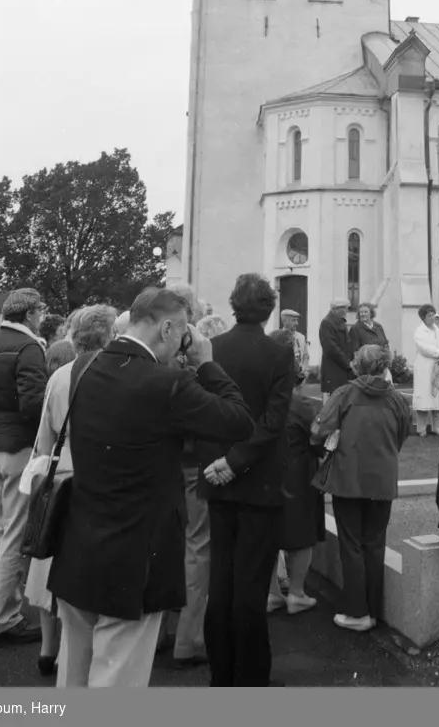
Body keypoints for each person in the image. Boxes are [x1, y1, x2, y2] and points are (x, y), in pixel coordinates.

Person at [46, 287, 254, 688]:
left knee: (73, 673)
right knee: (117, 681)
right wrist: (207, 363)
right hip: (136, 559)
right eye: (181, 334)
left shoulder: (83, 367)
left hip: (78, 547)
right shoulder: (166, 384)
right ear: (169, 327)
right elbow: (239, 421)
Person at [198, 273, 296, 688]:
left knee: (221, 579)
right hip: (259, 481)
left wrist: (221, 462)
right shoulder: (279, 353)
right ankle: (252, 677)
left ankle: (222, 673)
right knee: (251, 586)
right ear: (270, 309)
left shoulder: (213, 350)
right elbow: (273, 422)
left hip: (218, 478)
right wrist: (237, 461)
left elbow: (202, 413)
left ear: (234, 305)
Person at [23, 308, 114, 677]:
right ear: (107, 336)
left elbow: (45, 435)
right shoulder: (110, 376)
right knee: (81, 571)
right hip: (93, 479)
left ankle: (48, 648)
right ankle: (75, 656)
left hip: (58, 476)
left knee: (47, 562)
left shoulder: (59, 376)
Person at [311, 345, 410, 633]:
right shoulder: (397, 399)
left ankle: (357, 611)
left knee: (351, 545)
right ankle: (372, 610)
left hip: (348, 478)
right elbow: (402, 433)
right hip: (381, 478)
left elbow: (318, 431)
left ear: (356, 365)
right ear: (385, 365)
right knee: (375, 543)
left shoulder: (344, 394)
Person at [0, 288, 48, 644]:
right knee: (14, 534)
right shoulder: (29, 347)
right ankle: (4, 619)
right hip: (18, 446)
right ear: (30, 313)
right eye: (41, 309)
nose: (43, 315)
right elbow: (34, 402)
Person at [172, 312, 231, 670]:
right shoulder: (193, 379)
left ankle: (167, 629)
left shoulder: (163, 373)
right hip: (193, 466)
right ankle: (189, 638)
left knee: (175, 543)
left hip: (169, 467)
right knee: (198, 547)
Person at [266, 329, 325, 616]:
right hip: (298, 475)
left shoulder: (257, 399)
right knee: (301, 535)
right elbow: (318, 440)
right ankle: (297, 593)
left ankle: (272, 593)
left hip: (266, 471)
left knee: (267, 532)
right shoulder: (302, 406)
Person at [412, 304, 439, 436]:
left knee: (437, 398)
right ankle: (421, 429)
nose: (432, 317)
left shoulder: (438, 330)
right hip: (425, 367)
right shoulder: (419, 331)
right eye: (429, 315)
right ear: (423, 317)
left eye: (433, 314)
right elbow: (424, 348)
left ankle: (437, 428)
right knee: (424, 398)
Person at [319, 298, 354, 403]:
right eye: (345, 309)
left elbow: (346, 345)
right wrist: (348, 363)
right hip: (333, 369)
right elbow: (331, 348)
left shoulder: (339, 321)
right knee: (334, 402)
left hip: (342, 369)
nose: (347, 311)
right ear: (336, 309)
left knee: (343, 400)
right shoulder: (327, 323)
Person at [279, 308, 310, 373]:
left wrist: (305, 368)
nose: (297, 323)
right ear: (284, 321)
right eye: (293, 320)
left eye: (297, 320)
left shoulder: (301, 337)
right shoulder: (279, 337)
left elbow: (305, 356)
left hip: (300, 377)